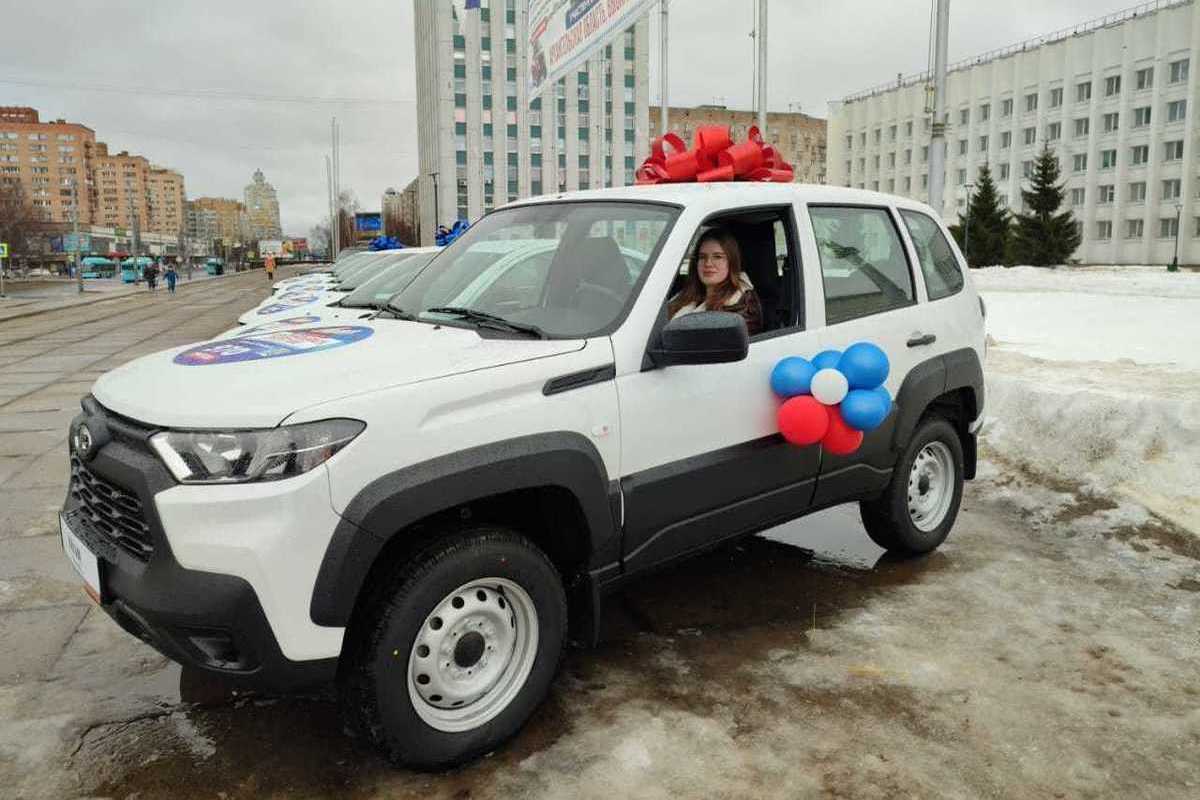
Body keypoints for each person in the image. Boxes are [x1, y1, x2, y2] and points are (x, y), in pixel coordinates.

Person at [667, 228, 763, 335]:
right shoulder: (686, 295)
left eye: (717, 257)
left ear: (731, 262)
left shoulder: (740, 307)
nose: (708, 263)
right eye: (702, 257)